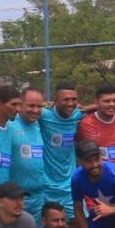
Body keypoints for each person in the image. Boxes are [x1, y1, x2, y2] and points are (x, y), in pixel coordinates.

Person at [39, 83, 84, 219]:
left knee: (80, 225)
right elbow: (20, 110)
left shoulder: (77, 116)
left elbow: (101, 107)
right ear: (56, 100)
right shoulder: (44, 116)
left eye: (74, 99)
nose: (70, 103)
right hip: (46, 187)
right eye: (66, 99)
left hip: (69, 186)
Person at [9, 87, 48, 223]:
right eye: (31, 105)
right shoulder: (9, 124)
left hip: (38, 198)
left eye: (39, 106)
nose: (36, 110)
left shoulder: (41, 124)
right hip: (15, 198)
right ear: (20, 105)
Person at [77, 83, 115, 168]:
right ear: (96, 102)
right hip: (94, 177)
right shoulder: (85, 123)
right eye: (107, 101)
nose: (112, 104)